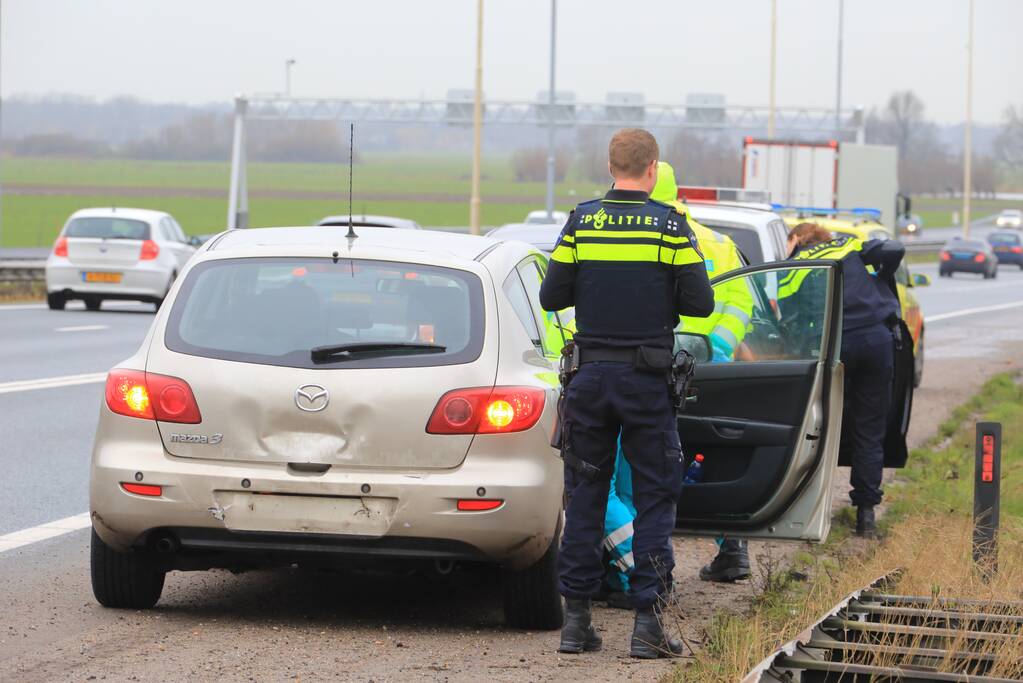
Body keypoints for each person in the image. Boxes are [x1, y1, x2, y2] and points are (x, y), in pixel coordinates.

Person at [540, 129, 714, 659]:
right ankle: (647, 625)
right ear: (653, 168)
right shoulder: (669, 226)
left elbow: (551, 296)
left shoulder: (582, 220)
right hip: (646, 381)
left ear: (610, 165)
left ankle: (576, 624)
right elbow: (701, 304)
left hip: (589, 380)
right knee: (656, 497)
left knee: (585, 495)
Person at [601, 162, 754, 599]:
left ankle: (633, 571)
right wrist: (717, 348)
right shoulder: (717, 242)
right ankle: (730, 544)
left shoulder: (634, 232)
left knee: (632, 474)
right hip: (705, 367)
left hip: (645, 363)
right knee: (705, 458)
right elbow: (743, 300)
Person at [780, 222, 905, 536]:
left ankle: (812, 512)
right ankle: (866, 515)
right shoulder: (847, 248)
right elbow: (893, 249)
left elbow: (790, 324)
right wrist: (882, 273)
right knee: (868, 428)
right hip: (877, 343)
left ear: (795, 239)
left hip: (834, 347)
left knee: (819, 428)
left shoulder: (794, 267)